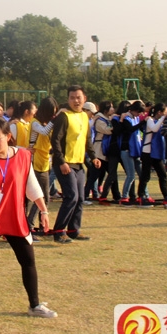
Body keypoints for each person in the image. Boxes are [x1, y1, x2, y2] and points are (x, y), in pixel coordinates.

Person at [0, 118, 55, 318]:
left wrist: (43, 211)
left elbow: (31, 185)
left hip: (15, 218)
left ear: (8, 136)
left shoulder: (23, 156)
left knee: (28, 261)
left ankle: (35, 305)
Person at [51, 86, 100, 241]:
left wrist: (93, 157)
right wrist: (61, 162)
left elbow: (87, 139)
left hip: (79, 163)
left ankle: (73, 230)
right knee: (71, 196)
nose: (75, 101)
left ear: (84, 99)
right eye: (72, 98)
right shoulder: (64, 116)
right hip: (65, 164)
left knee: (80, 198)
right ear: (68, 99)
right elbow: (55, 140)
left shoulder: (85, 116)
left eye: (78, 97)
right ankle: (59, 231)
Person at [28, 97, 57, 235]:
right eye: (52, 112)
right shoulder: (35, 123)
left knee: (45, 195)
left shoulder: (45, 123)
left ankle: (42, 226)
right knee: (39, 196)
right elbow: (44, 132)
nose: (53, 115)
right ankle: (30, 225)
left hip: (44, 161)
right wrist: (54, 120)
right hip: (35, 162)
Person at [137, 103, 167, 206]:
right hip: (148, 152)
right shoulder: (150, 120)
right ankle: (141, 196)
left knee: (162, 174)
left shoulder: (160, 122)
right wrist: (162, 118)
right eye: (164, 112)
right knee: (146, 176)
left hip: (156, 152)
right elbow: (154, 129)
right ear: (159, 112)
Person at [119, 101, 144, 205]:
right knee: (131, 175)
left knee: (142, 174)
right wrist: (142, 122)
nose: (139, 115)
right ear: (135, 110)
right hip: (127, 149)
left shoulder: (135, 118)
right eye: (139, 112)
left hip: (136, 149)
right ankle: (124, 197)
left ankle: (144, 195)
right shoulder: (126, 118)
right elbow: (130, 129)